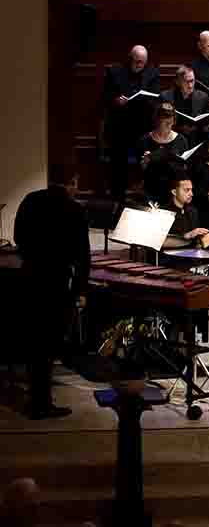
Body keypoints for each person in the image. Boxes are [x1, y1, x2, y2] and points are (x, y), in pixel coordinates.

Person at [14, 167, 90, 419]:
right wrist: (81, 289)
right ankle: (41, 404)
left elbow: (19, 238)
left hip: (30, 277)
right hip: (57, 282)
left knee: (34, 340)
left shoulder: (30, 200)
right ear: (72, 181)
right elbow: (82, 256)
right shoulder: (75, 210)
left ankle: (37, 397)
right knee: (48, 344)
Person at [102, 45, 161, 200]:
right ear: (130, 58)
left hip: (142, 125)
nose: (139, 65)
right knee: (118, 166)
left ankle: (147, 197)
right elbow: (105, 97)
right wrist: (116, 100)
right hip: (120, 126)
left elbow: (156, 98)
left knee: (147, 162)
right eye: (136, 62)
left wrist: (145, 99)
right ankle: (118, 198)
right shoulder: (115, 72)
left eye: (143, 62)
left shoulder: (152, 73)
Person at [138, 101, 189, 204]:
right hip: (152, 190)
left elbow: (185, 169)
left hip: (174, 192)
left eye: (171, 121)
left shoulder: (181, 140)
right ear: (157, 120)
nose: (169, 124)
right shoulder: (145, 140)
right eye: (165, 120)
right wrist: (144, 163)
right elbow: (140, 171)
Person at [162, 65, 209, 141]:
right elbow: (161, 123)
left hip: (196, 139)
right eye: (186, 82)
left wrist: (207, 126)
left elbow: (207, 121)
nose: (190, 86)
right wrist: (180, 128)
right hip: (173, 138)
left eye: (192, 81)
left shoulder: (203, 97)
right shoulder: (166, 97)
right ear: (178, 82)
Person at [161, 176, 209, 248]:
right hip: (170, 256)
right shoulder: (163, 213)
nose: (191, 194)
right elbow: (160, 242)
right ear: (174, 192)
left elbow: (195, 241)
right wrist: (186, 236)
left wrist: (203, 240)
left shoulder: (193, 211)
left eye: (191, 190)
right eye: (187, 190)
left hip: (190, 255)